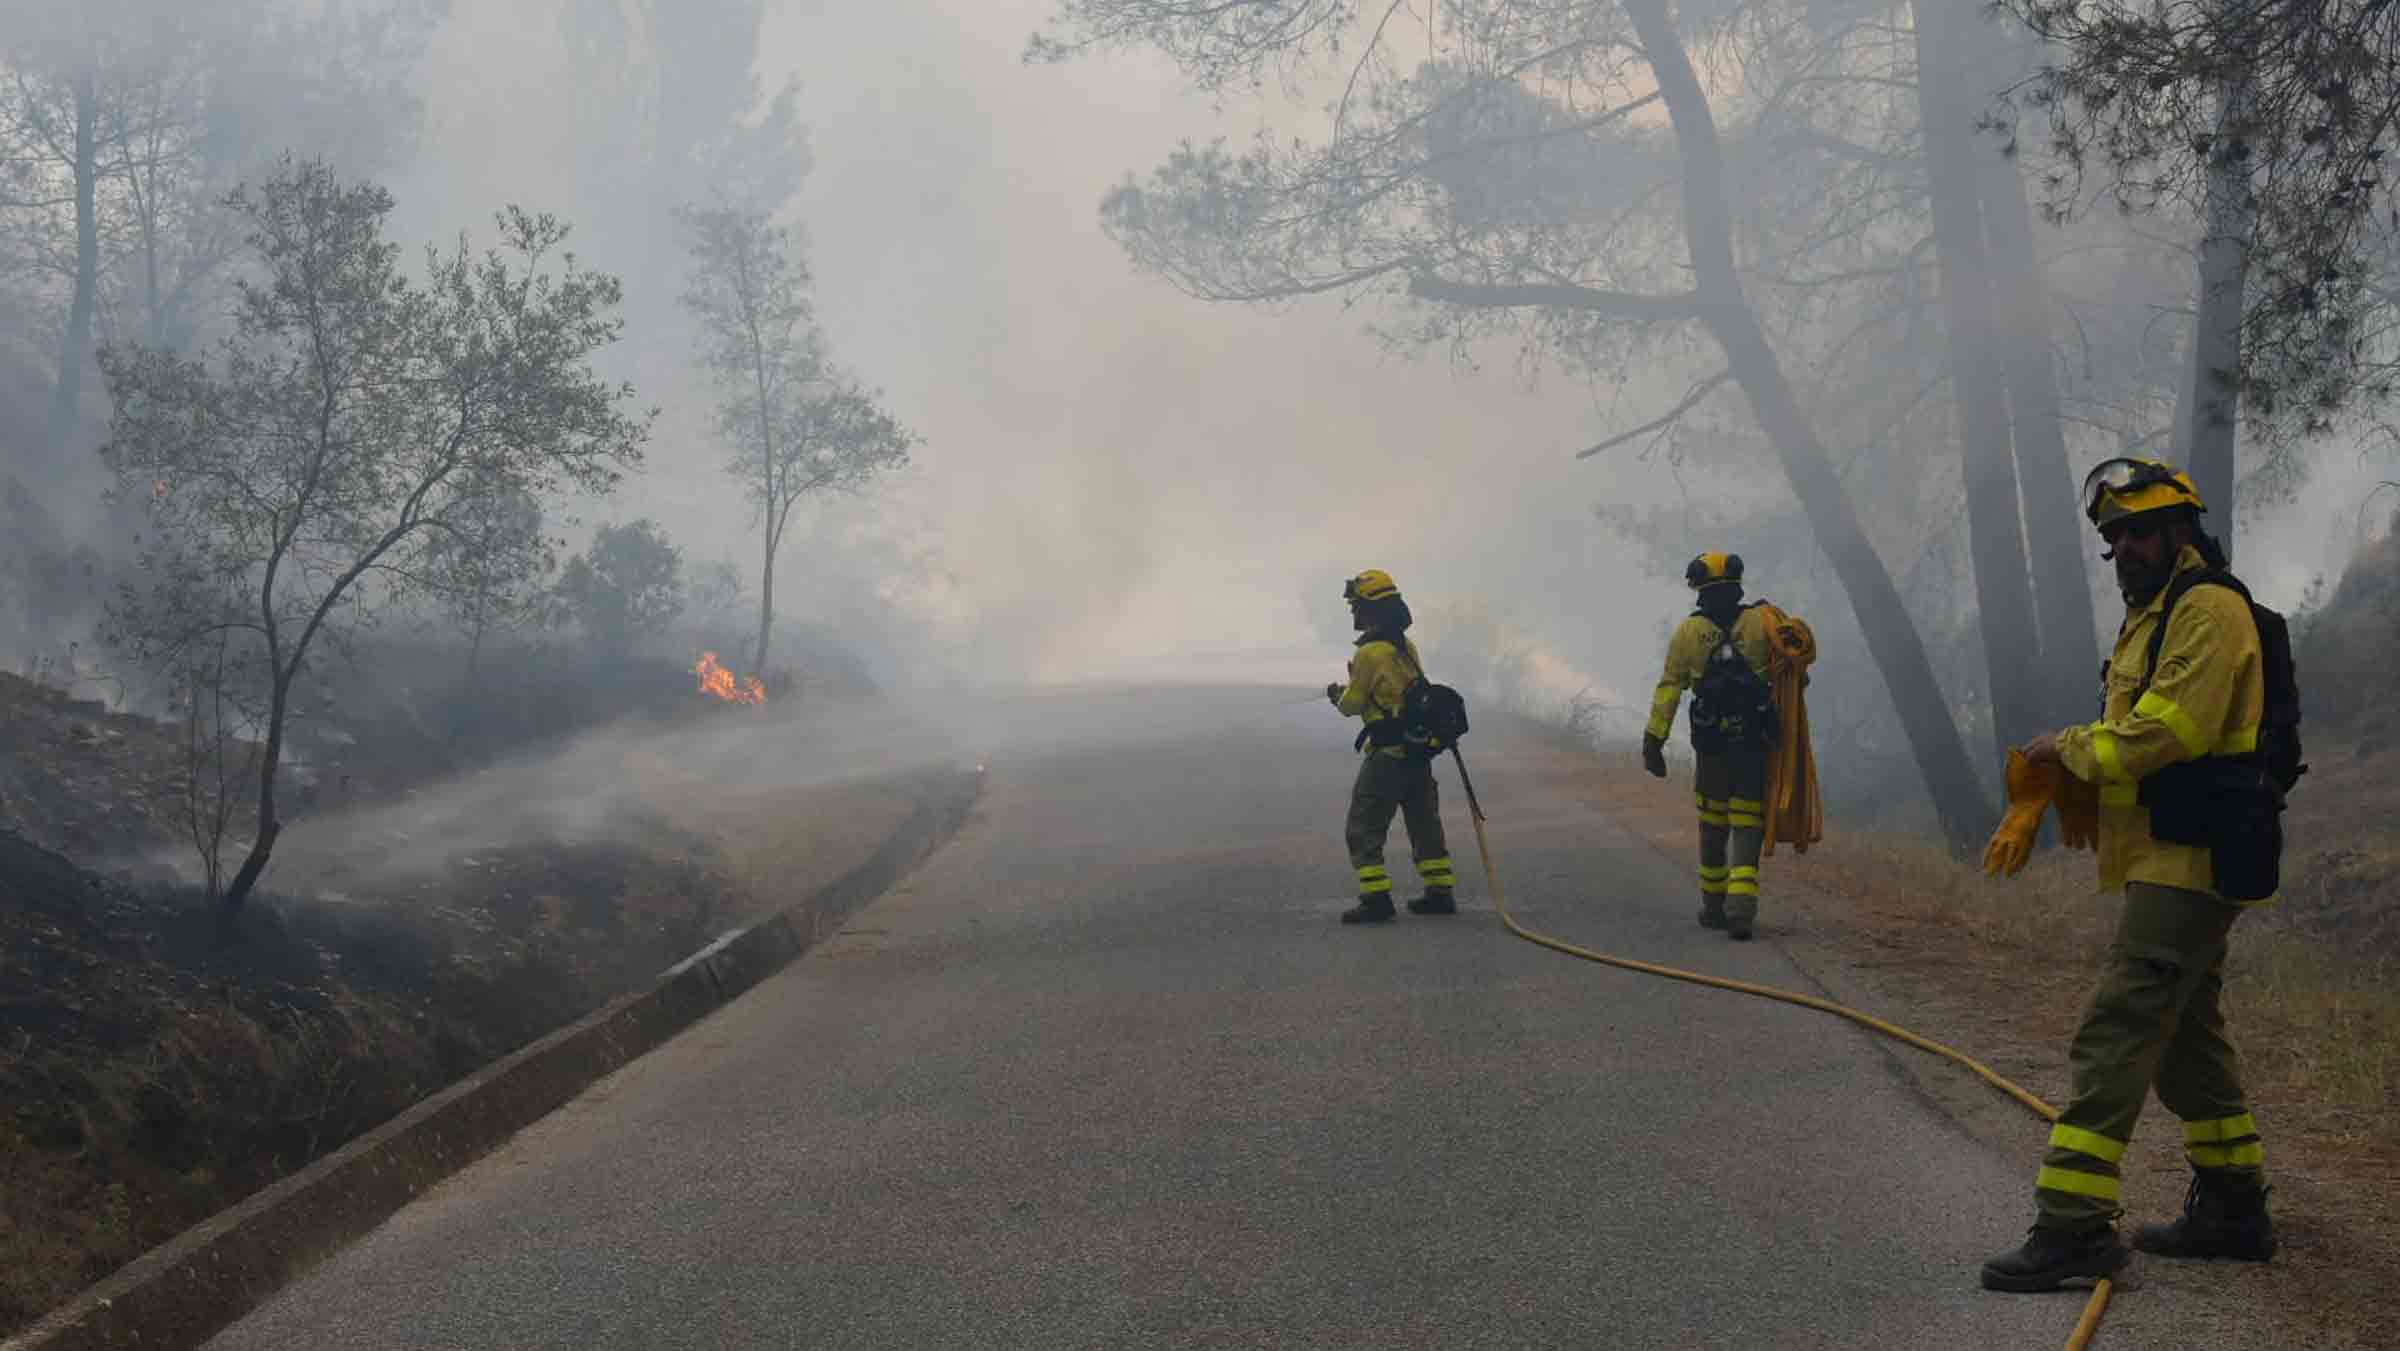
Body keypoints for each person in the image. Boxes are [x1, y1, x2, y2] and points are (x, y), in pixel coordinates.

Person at [1981, 457, 2277, 1294]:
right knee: (2185, 1038)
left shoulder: (2207, 609)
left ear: (2183, 530)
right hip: (2164, 853)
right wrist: (2066, 770)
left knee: (2116, 1026)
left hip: (2195, 858)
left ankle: (2072, 1224)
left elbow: (2167, 732)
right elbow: (2138, 727)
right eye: (2115, 538)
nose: (2126, 550)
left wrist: (2067, 749)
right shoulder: (2152, 615)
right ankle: (2234, 1206)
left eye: (2141, 531)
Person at [1642, 552, 1776, 940]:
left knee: (1713, 824)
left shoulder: (1688, 633)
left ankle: (1714, 908)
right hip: (1753, 742)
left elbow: (1670, 688)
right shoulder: (1764, 622)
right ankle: (1742, 910)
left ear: (1699, 588)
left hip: (1711, 743)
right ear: (1736, 585)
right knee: (1748, 822)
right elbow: (1793, 673)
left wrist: (1654, 740)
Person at [1326, 569, 1456, 924]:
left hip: (1386, 758)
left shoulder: (1369, 653)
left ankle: (1376, 898)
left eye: (1356, 605)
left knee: (1363, 827)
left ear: (1371, 609)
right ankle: (1440, 892)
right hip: (1417, 753)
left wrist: (1338, 695)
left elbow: (1353, 705)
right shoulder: (1405, 647)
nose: (1353, 612)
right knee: (1424, 824)